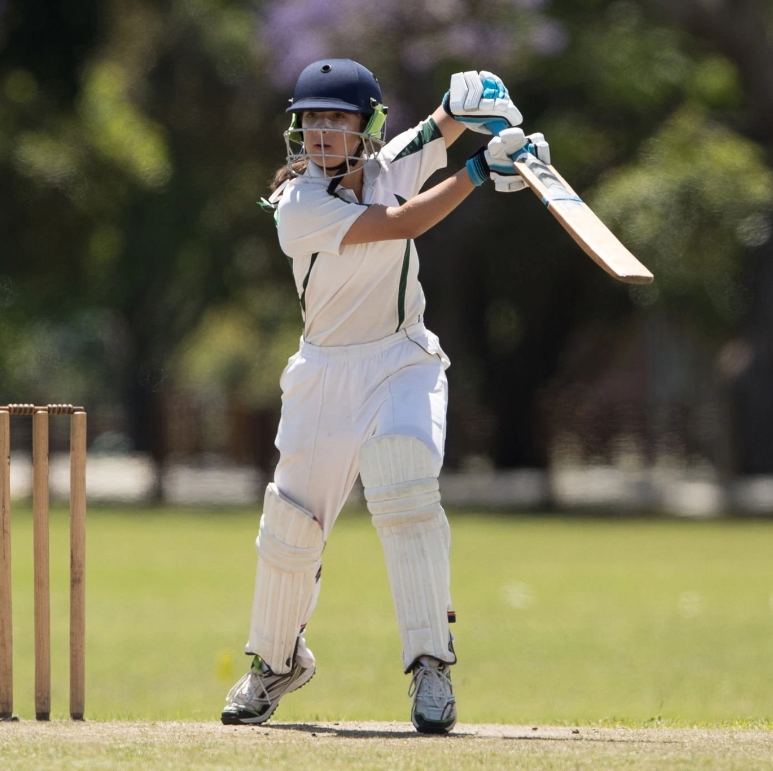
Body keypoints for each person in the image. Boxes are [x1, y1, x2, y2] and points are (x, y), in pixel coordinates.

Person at [220, 59, 550, 734]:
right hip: (322, 375)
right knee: (291, 525)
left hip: (402, 360)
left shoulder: (386, 163)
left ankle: (431, 665)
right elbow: (402, 224)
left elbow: (438, 128)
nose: (319, 132)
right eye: (310, 119)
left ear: (366, 126)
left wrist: (475, 100)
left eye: (336, 118)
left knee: (404, 481)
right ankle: (276, 662)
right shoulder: (298, 207)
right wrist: (484, 170)